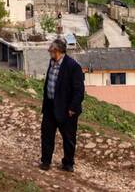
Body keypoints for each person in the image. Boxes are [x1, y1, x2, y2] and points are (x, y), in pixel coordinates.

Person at [39, 37, 84, 172]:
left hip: (66, 109)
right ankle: (46, 161)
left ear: (57, 51)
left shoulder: (73, 66)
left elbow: (79, 91)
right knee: (47, 134)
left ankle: (68, 163)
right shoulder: (52, 62)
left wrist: (72, 108)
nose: (49, 51)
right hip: (50, 106)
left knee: (68, 137)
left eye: (51, 49)